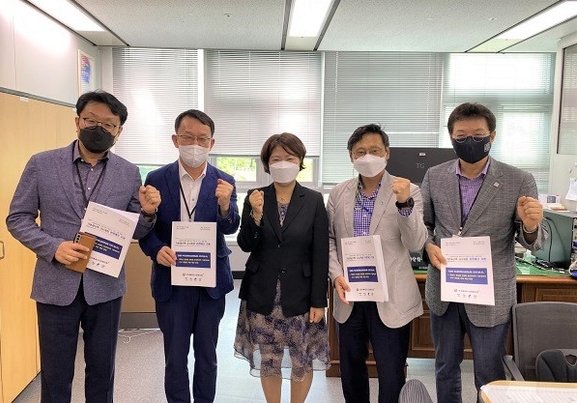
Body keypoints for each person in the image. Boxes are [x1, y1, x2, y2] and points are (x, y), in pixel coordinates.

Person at [6, 90, 161, 403]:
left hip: (105, 287)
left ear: (119, 131)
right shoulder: (42, 164)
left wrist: (147, 213)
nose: (98, 128)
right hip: (55, 285)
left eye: (108, 124)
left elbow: (135, 229)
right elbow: (17, 218)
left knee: (102, 372)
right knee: (55, 374)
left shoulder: (128, 172)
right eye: (91, 120)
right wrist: (52, 247)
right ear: (77, 121)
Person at [420, 102, 547, 403]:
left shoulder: (519, 179)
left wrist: (530, 225)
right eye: (461, 135)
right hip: (445, 291)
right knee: (445, 368)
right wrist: (427, 245)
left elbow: (534, 242)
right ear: (451, 137)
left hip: (490, 295)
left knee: (489, 374)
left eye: (478, 135)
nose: (470, 141)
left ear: (492, 136)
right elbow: (423, 225)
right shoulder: (434, 176)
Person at [138, 109, 240, 403]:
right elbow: (145, 228)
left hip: (210, 284)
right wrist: (156, 250)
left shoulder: (224, 181)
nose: (195, 144)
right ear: (175, 140)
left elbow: (231, 226)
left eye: (202, 139)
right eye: (188, 137)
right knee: (175, 356)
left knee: (207, 356)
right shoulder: (156, 178)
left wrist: (225, 206)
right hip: (171, 281)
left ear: (211, 143)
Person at [327, 123, 427, 403]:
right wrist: (336, 275)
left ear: (387, 153)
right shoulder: (339, 193)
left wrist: (404, 204)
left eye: (374, 150)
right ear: (351, 156)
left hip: (390, 296)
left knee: (391, 371)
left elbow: (416, 242)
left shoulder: (409, 191)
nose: (367, 157)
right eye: (360, 152)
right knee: (351, 369)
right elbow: (329, 240)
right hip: (350, 294)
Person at [234, 132, 330, 403]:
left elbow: (320, 253)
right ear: (267, 163)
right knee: (269, 357)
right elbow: (245, 244)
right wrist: (255, 215)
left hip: (300, 295)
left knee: (302, 358)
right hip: (262, 293)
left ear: (300, 161)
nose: (283, 163)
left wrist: (318, 301)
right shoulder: (256, 197)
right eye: (276, 158)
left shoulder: (313, 200)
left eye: (289, 157)